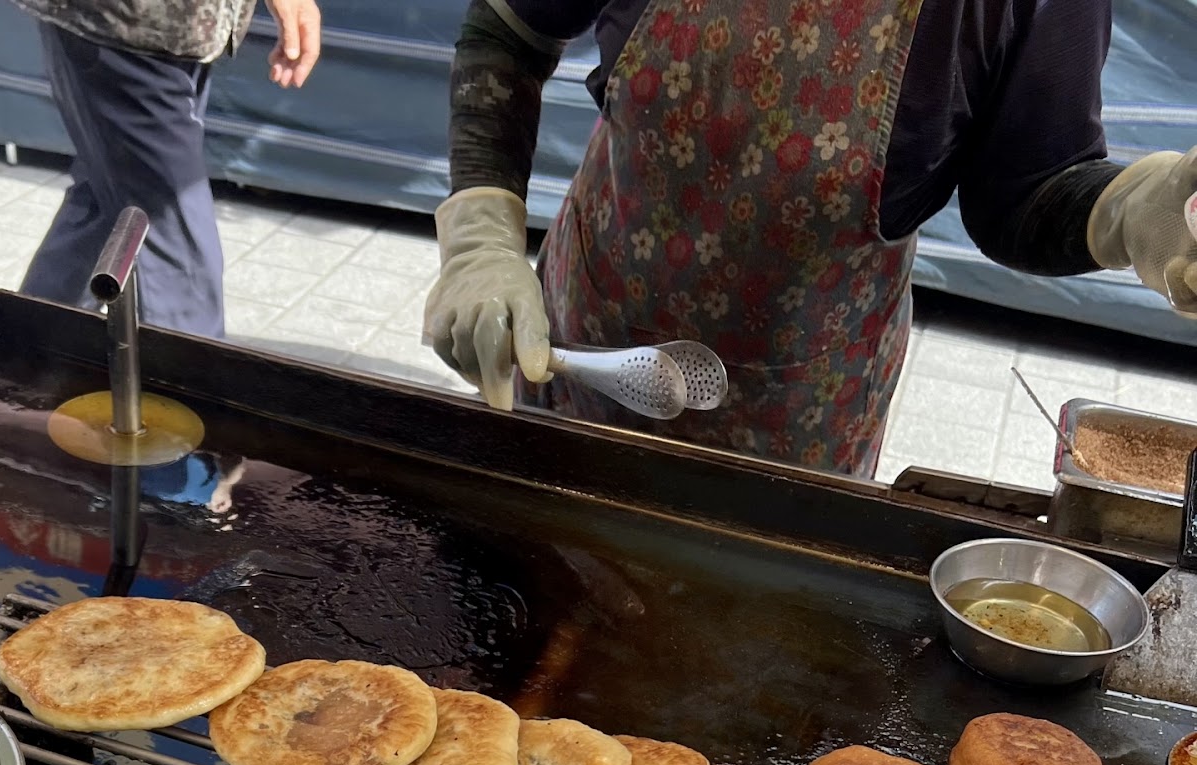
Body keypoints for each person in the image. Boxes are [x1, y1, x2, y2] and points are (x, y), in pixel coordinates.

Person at [424, 0, 1197, 474]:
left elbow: (1025, 192)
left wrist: (1126, 212)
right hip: (585, 354)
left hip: (797, 437)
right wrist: (481, 239)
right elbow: (507, 30)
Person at [15, 0, 322, 337]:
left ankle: (30, 348)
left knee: (110, 205)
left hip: (177, 28)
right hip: (123, 25)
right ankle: (187, 383)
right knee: (178, 251)